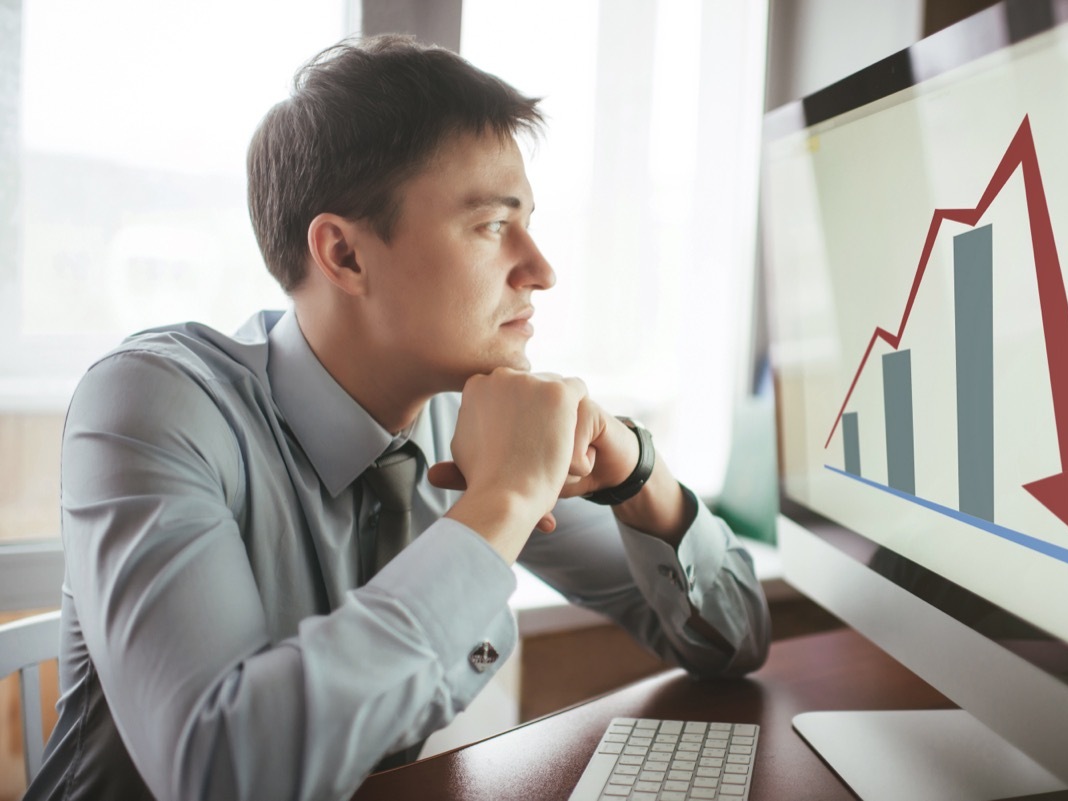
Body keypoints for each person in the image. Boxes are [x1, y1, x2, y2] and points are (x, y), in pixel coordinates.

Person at [24, 34, 770, 801]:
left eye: (530, 223)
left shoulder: (464, 415)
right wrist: (500, 506)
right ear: (344, 255)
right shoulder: (149, 404)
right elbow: (220, 772)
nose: (542, 269)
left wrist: (636, 469)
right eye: (491, 225)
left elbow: (734, 640)